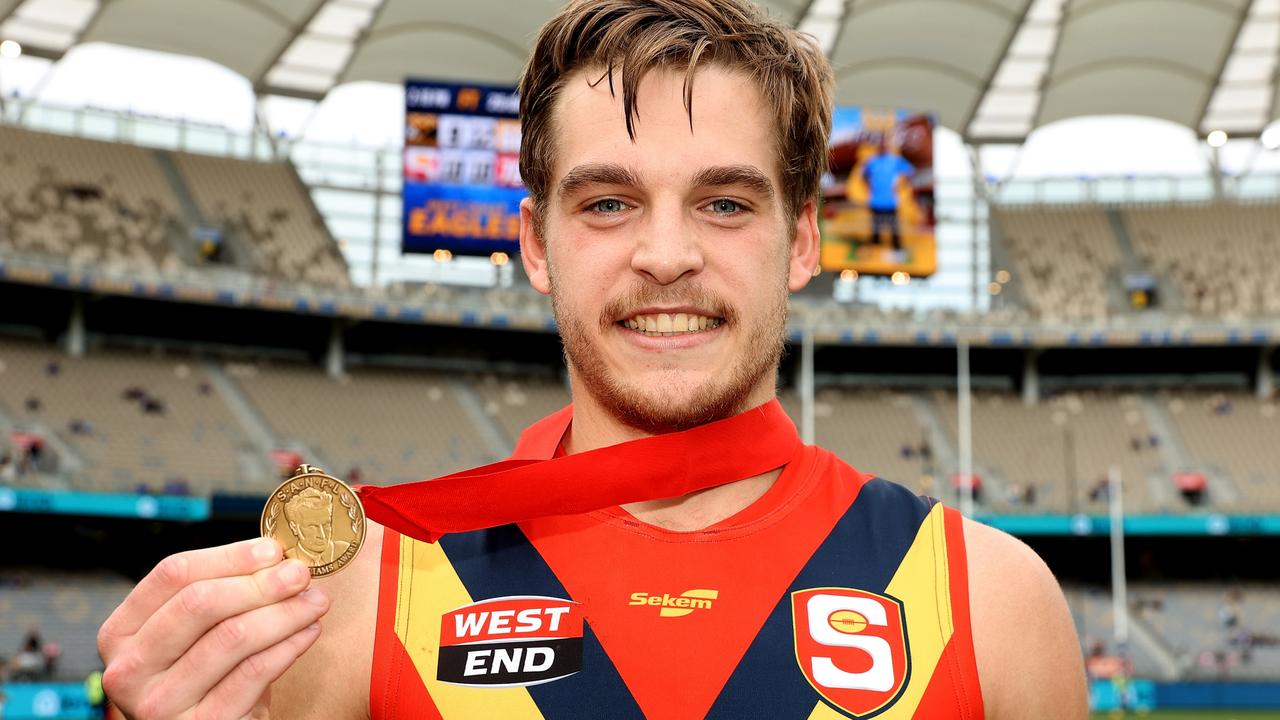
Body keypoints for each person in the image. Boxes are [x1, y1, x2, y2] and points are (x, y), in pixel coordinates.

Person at [97, 1, 1086, 718]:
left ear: (800, 242)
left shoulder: (987, 599)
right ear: (534, 243)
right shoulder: (364, 591)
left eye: (725, 202)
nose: (665, 254)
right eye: (606, 202)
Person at [861, 138, 915, 254]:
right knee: (875, 226)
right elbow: (864, 174)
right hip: (875, 200)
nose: (881, 148)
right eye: (879, 146)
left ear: (887, 147)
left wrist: (902, 183)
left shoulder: (894, 161)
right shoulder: (872, 162)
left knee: (894, 226)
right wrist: (870, 184)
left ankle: (897, 247)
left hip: (890, 200)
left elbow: (910, 171)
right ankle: (875, 245)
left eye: (883, 146)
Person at [281, 488, 351, 566]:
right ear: (294, 527)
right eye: (312, 526)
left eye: (326, 525)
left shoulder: (344, 550)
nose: (322, 535)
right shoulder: (286, 557)